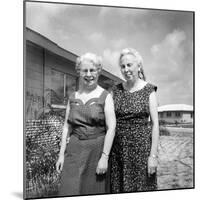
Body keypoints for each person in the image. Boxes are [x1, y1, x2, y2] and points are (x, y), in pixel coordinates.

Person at [56, 52, 116, 196]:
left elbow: (112, 127)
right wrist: (61, 155)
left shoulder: (105, 97)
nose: (89, 74)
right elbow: (66, 126)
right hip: (74, 151)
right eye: (85, 70)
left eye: (92, 70)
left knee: (93, 191)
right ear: (79, 72)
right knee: (69, 189)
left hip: (96, 152)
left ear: (98, 71)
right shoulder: (72, 97)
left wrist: (104, 157)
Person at [110, 48, 159, 193]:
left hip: (142, 153)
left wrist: (153, 156)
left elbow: (155, 124)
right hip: (118, 153)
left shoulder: (149, 90)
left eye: (129, 65)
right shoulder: (115, 90)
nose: (126, 70)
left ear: (138, 66)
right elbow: (108, 121)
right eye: (123, 66)